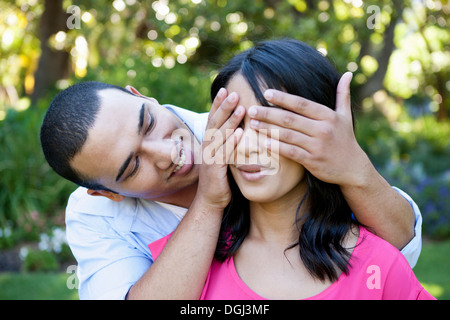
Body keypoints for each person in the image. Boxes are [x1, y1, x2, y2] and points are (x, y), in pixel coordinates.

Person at [41, 45, 422, 300]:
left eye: (147, 124)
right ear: (107, 193)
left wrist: (354, 168)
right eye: (133, 166)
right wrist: (209, 201)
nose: (167, 153)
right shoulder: (94, 215)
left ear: (141, 96)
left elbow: (401, 244)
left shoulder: (249, 123)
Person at [149, 39, 434, 300]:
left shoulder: (380, 267)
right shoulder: (183, 263)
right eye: (234, 125)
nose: (247, 147)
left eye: (270, 125)